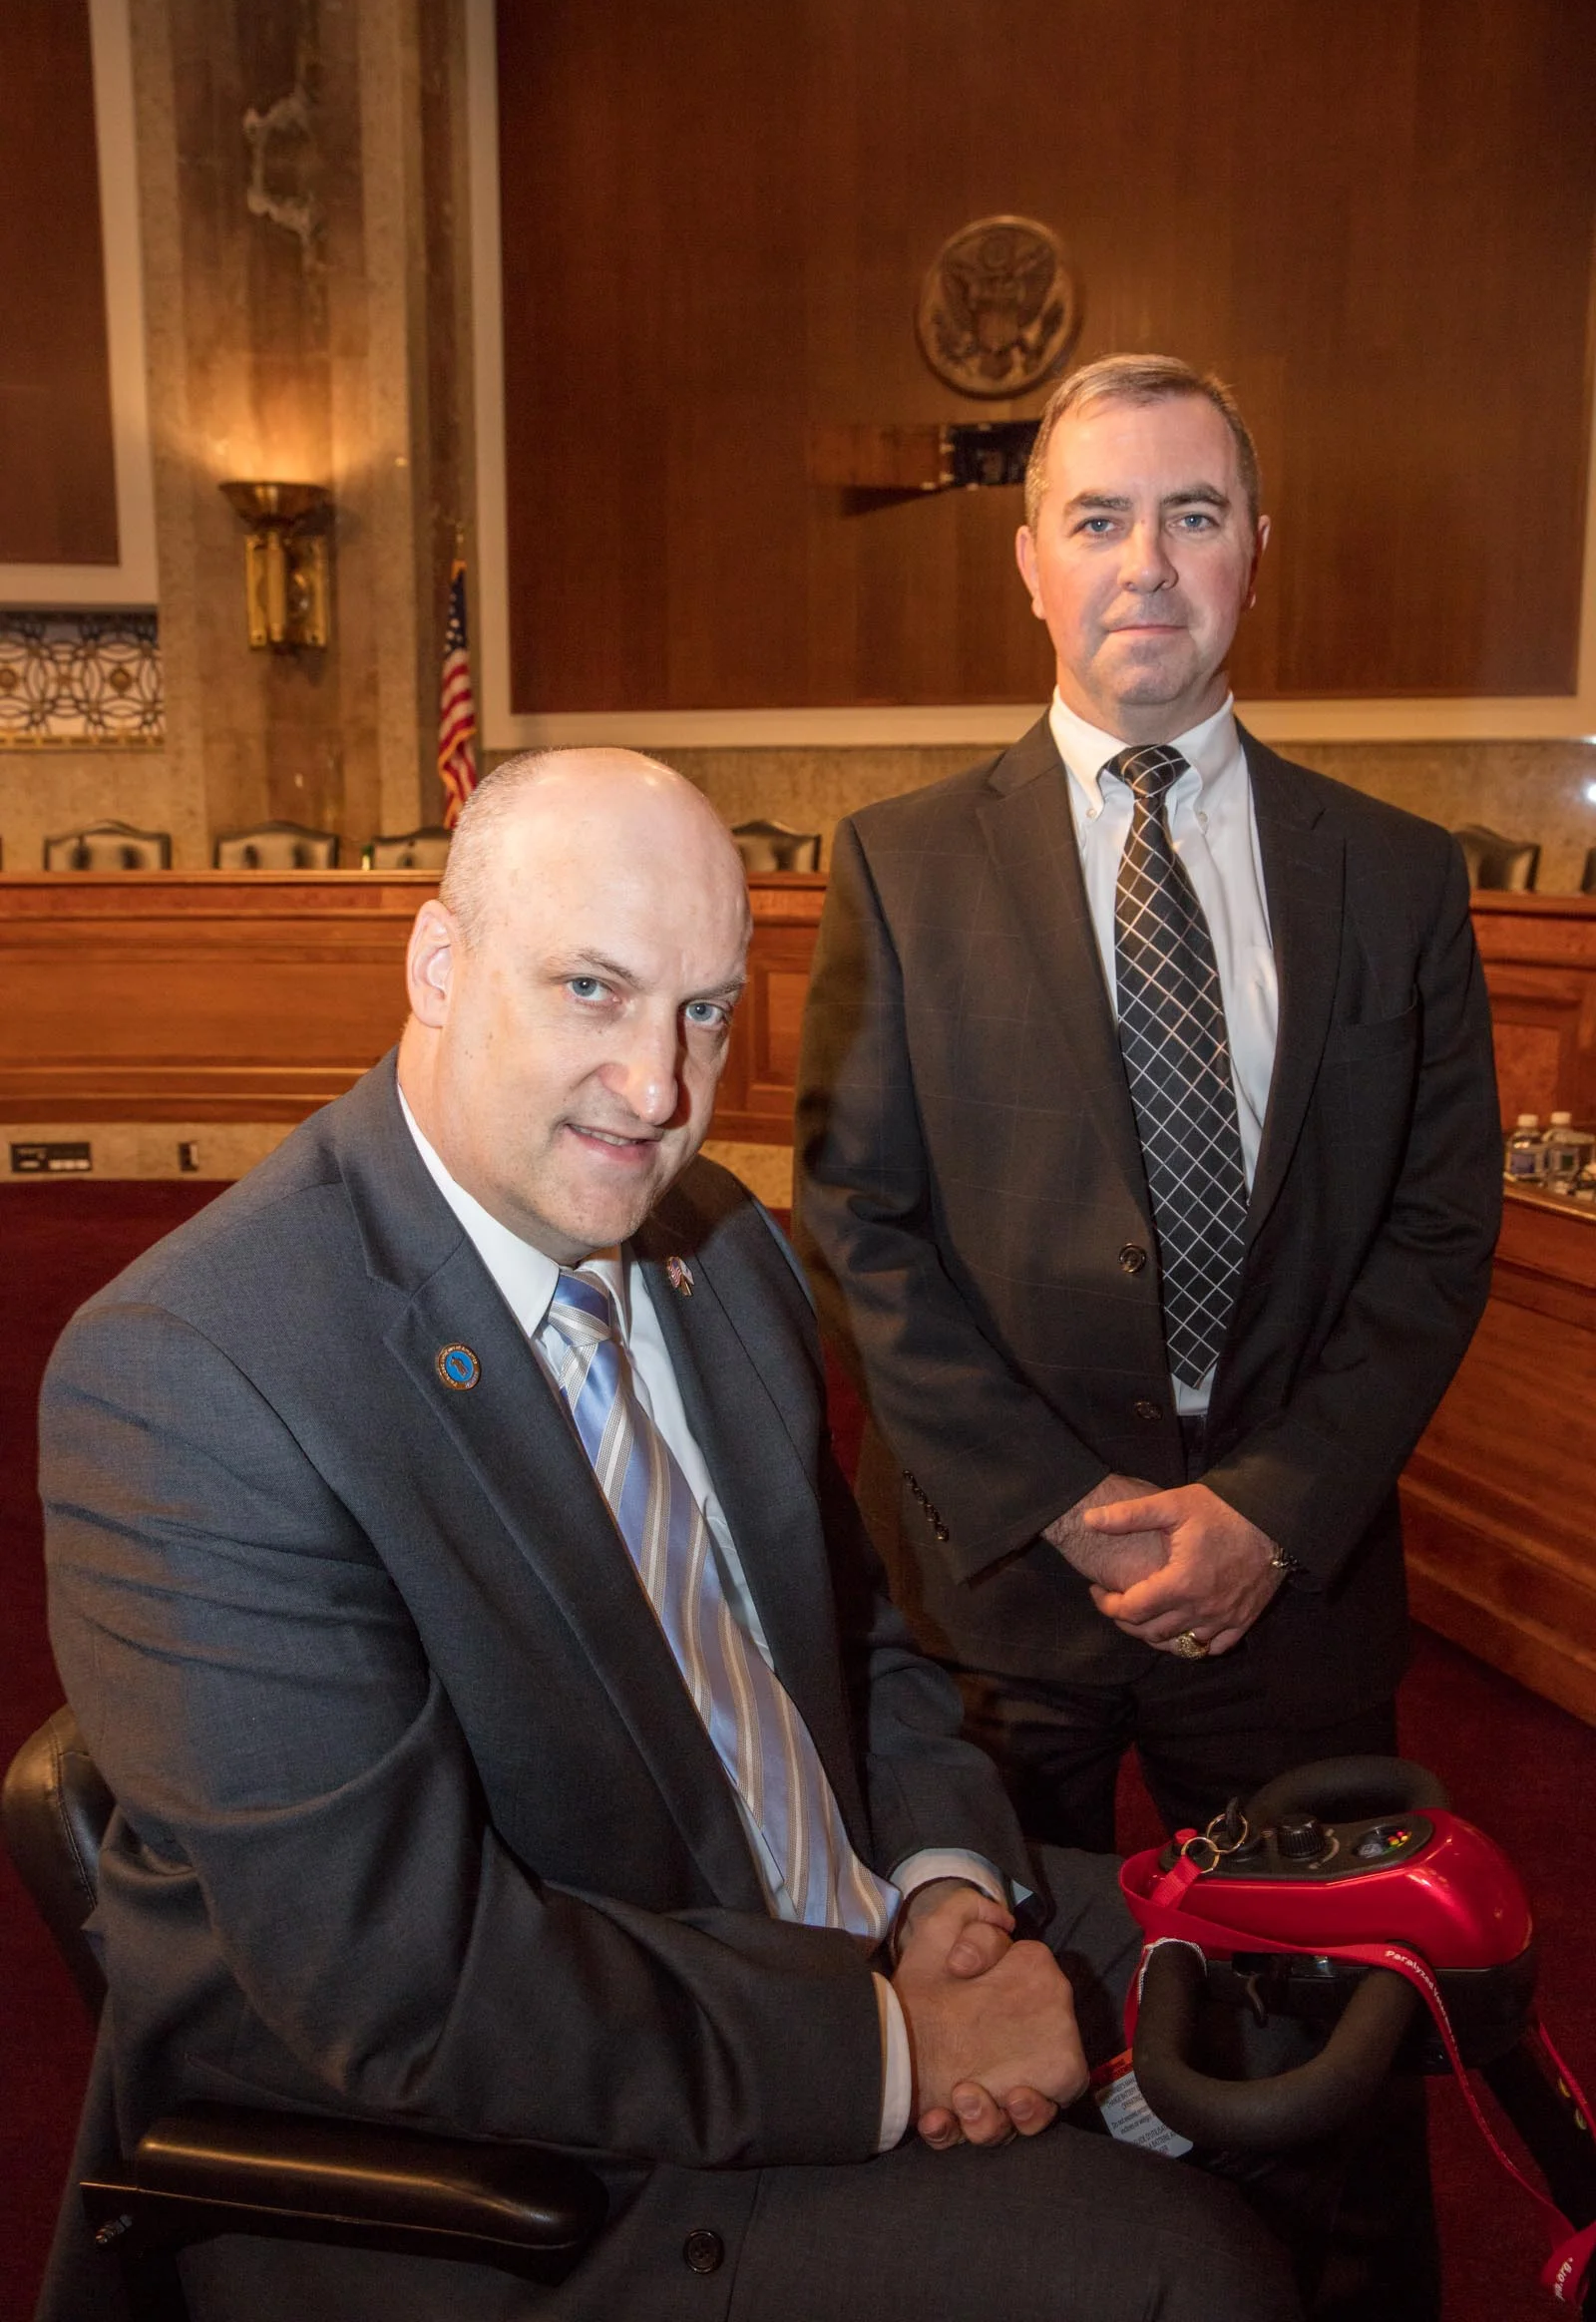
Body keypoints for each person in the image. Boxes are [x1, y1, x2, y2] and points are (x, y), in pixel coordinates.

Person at [39, 749, 1300, 2322]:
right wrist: (898, 2043)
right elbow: (401, 1986)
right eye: (593, 989)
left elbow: (857, 1644)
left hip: (817, 1907)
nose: (659, 1089)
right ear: (439, 966)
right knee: (1187, 2279)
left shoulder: (717, 1249)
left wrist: (946, 1886)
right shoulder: (194, 1373)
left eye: (705, 1010)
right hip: (524, 2151)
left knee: (1296, 2000)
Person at [795, 352, 1502, 1859]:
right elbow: (861, 1228)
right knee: (995, 1996)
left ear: (1256, 545)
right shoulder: (897, 868)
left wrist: (1270, 1513)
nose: (1149, 565)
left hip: (1292, 1592)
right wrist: (1060, 1503)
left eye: (1194, 514)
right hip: (990, 1589)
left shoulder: (1397, 875)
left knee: (1305, 1996)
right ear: (1030, 562)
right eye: (1100, 519)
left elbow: (1438, 1230)